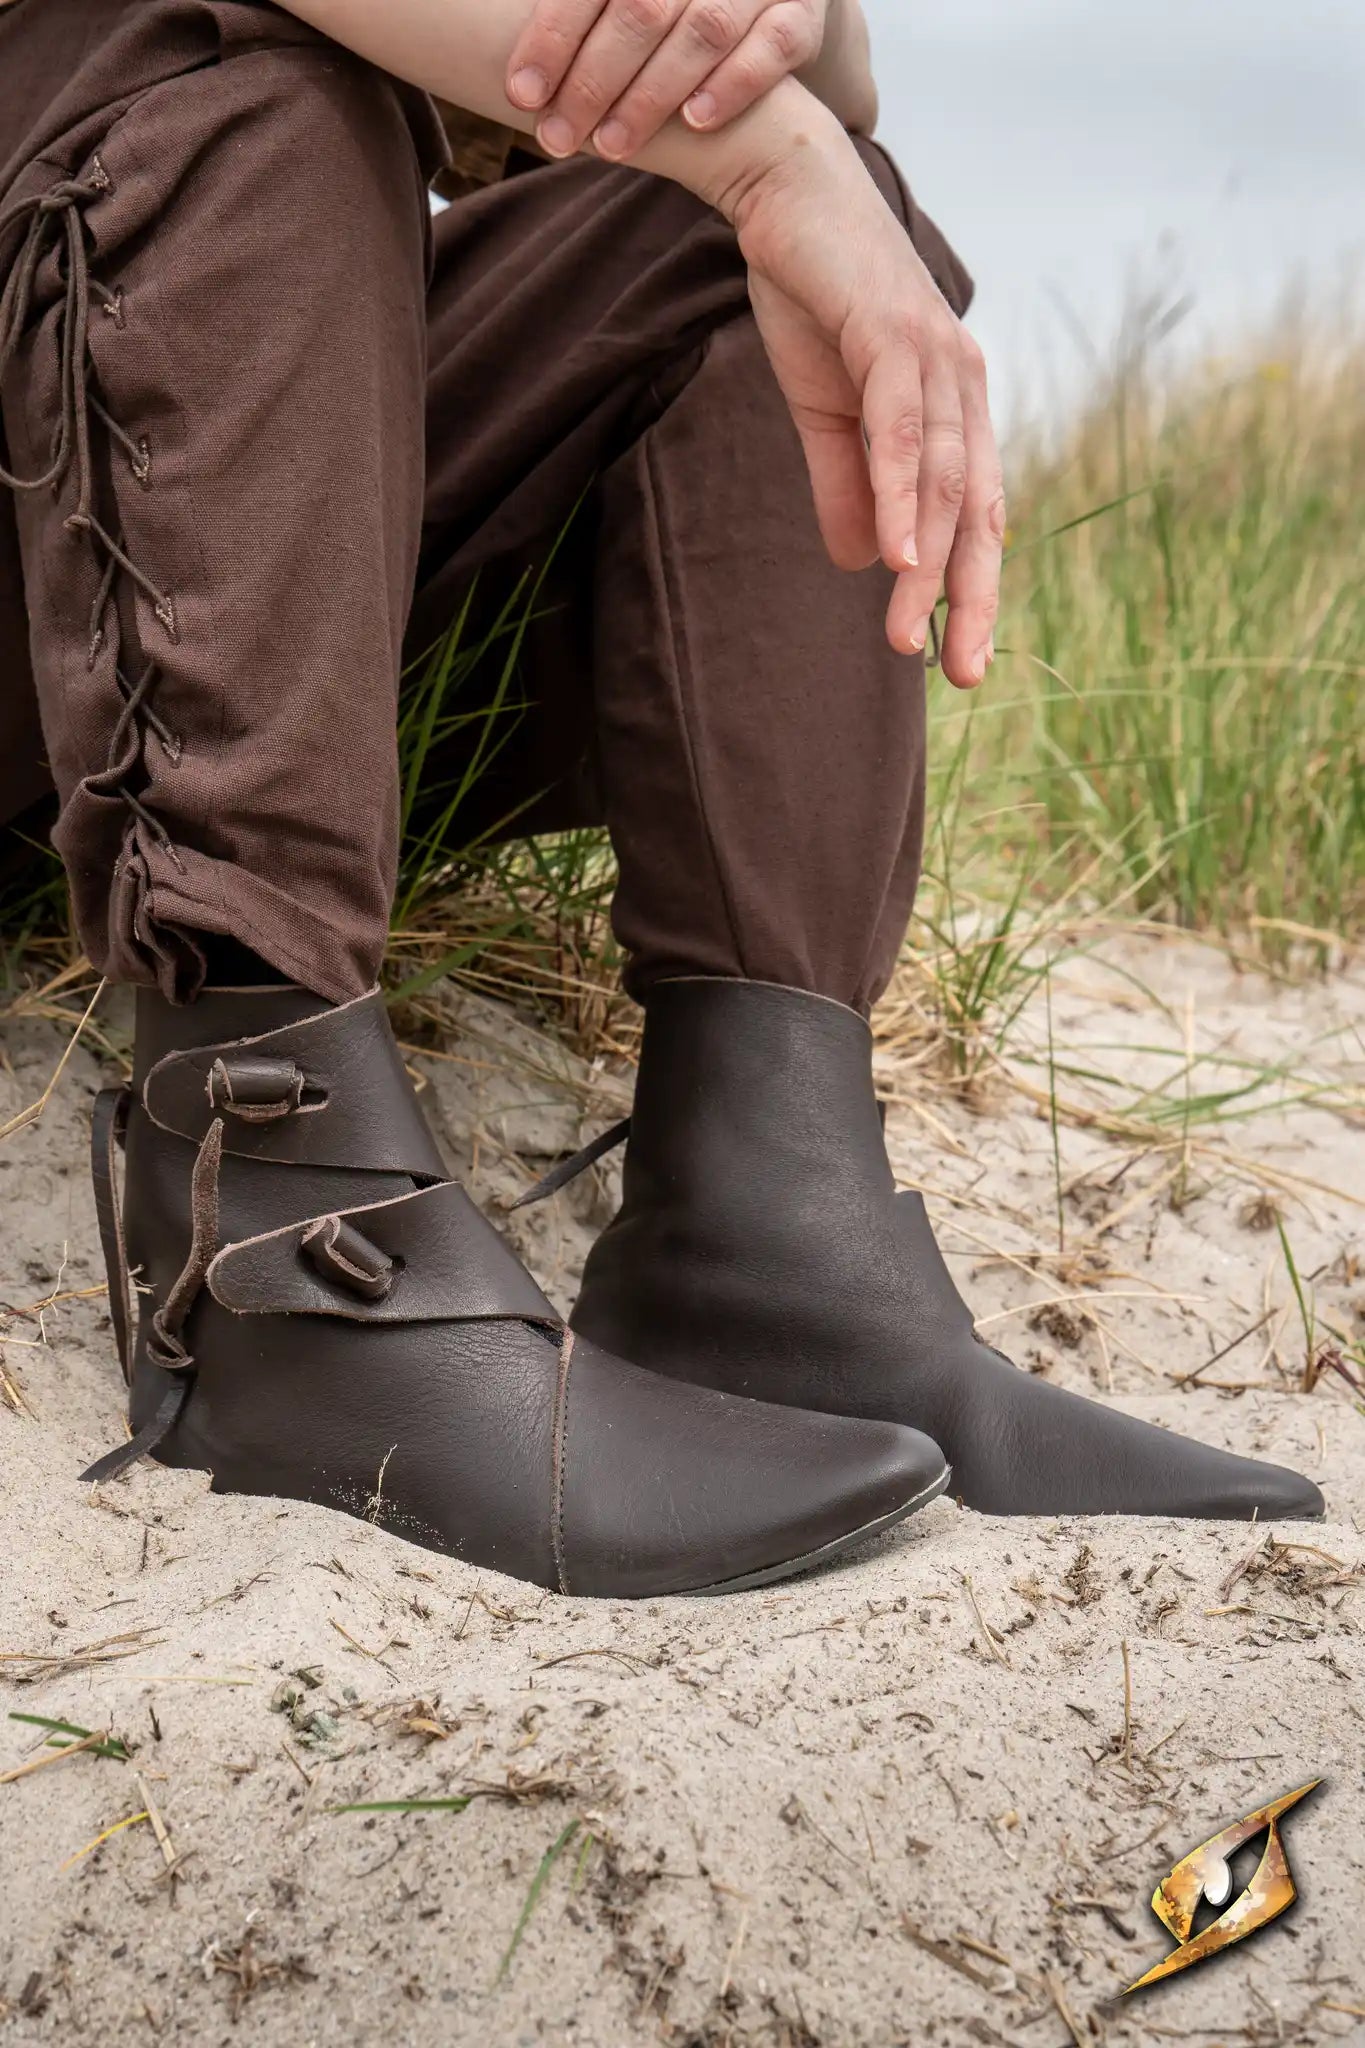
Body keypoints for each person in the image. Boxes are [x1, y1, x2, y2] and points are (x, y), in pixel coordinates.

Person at [0, 0, 1321, 1601]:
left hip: (199, 601)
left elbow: (825, 81)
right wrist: (771, 163)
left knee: (716, 231)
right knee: (233, 66)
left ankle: (766, 1229)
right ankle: (282, 1240)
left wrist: (776, 55)